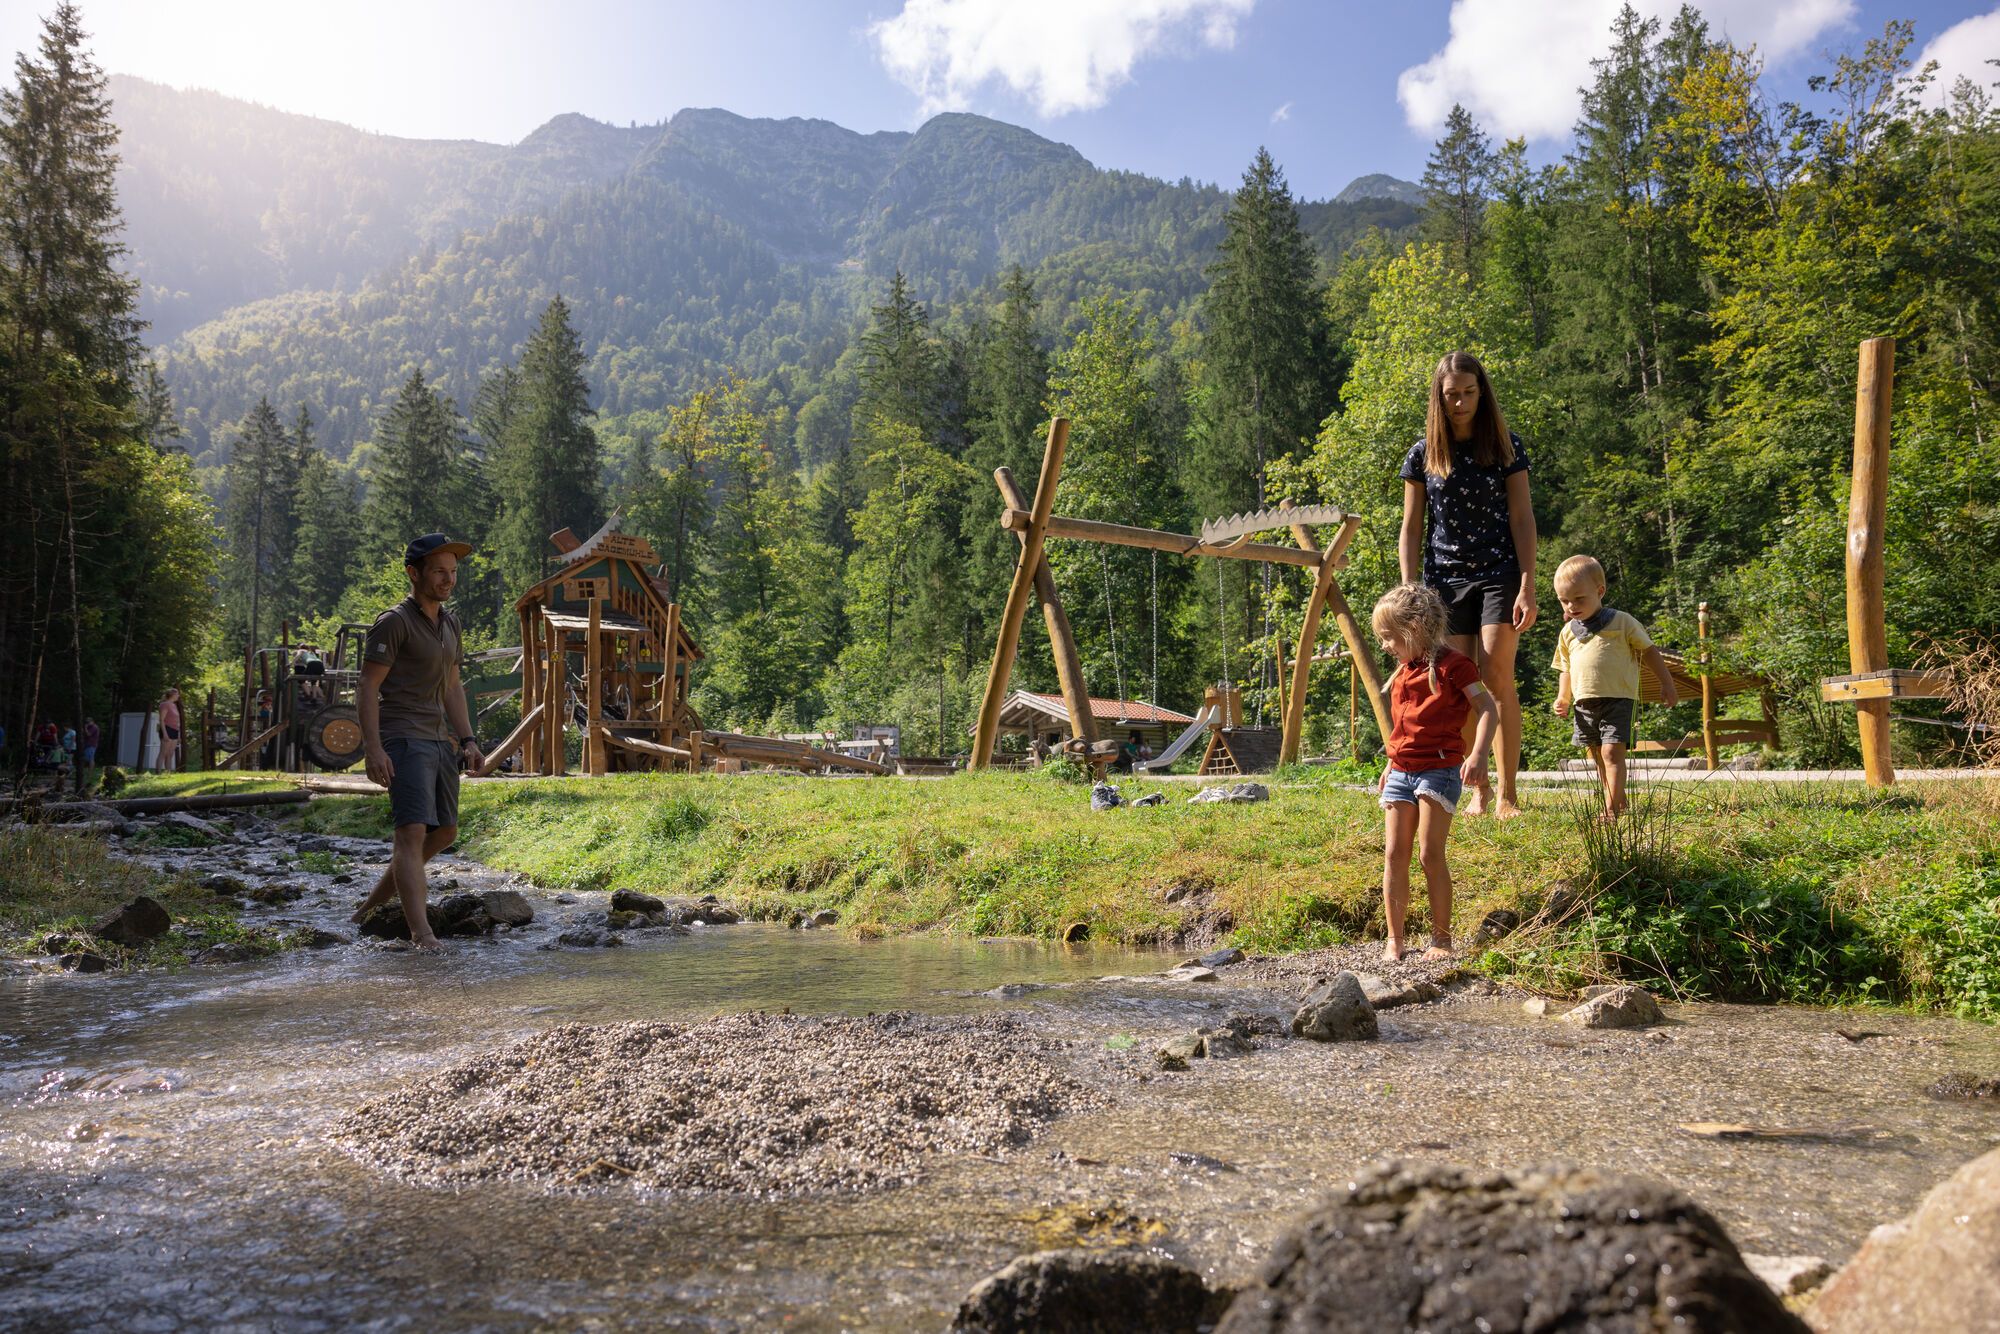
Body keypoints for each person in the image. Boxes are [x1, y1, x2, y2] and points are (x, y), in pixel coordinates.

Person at [1399, 350, 1537, 820]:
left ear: (1483, 392)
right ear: (1439, 396)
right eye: (1452, 395)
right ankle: (1473, 792)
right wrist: (1409, 592)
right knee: (1458, 685)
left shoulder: (1505, 446)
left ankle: (1507, 795)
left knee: (1497, 676)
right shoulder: (1423, 454)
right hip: (1442, 582)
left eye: (1469, 393)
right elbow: (1412, 527)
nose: (1461, 403)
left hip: (1499, 573)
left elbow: (1522, 518)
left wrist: (1528, 584)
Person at [351, 533, 484, 951]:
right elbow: (367, 686)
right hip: (403, 736)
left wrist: (468, 738)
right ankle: (421, 934)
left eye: (453, 572)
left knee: (444, 831)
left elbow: (452, 686)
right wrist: (373, 748)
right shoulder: (394, 622)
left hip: (438, 738)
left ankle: (366, 911)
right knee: (410, 834)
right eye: (440, 572)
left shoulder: (450, 622)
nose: (448, 580)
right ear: (414, 573)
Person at [1372, 582, 1498, 963]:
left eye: (1390, 637)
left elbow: (1488, 708)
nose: (1385, 646)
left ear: (1415, 629)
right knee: (1395, 852)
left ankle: (1441, 940)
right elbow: (1401, 728)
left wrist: (1477, 755)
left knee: (1429, 853)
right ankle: (1395, 939)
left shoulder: (1454, 665)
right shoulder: (1403, 672)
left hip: (1439, 770)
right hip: (1401, 771)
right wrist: (1390, 763)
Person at [1550, 555, 1678, 819]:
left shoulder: (1622, 622)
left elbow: (1650, 651)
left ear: (1600, 591)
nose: (1571, 606)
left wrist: (1667, 682)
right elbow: (1566, 668)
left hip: (1618, 699)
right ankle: (1617, 800)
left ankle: (1610, 809)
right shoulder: (1567, 632)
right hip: (1584, 703)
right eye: (1564, 600)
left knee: (1611, 751)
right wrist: (1563, 697)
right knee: (1597, 755)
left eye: (1579, 598)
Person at [155, 689, 181, 772]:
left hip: (175, 730)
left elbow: (177, 721)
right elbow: (161, 720)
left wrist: (179, 735)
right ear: (172, 695)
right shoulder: (164, 704)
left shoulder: (174, 705)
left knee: (170, 754)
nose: (178, 696)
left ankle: (168, 773)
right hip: (167, 729)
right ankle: (158, 773)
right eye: (177, 694)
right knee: (163, 753)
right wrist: (165, 734)